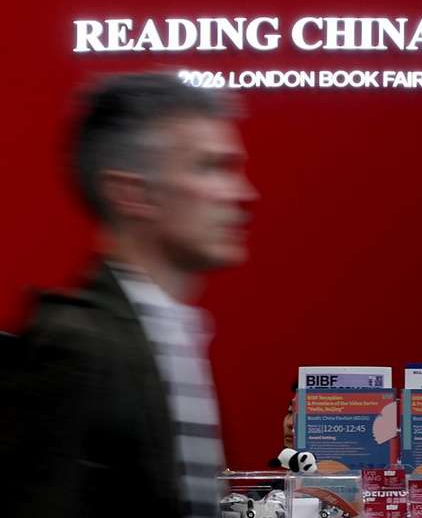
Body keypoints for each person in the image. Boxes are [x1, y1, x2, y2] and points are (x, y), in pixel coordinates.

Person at [0, 72, 257, 518]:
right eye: (210, 167)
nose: (244, 194)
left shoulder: (172, 337)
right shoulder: (76, 348)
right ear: (131, 192)